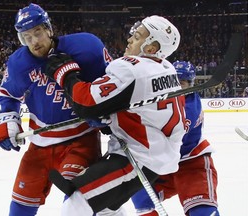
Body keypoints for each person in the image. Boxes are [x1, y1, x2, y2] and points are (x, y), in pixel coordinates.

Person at [44, 15, 186, 215]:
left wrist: (65, 73)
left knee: (76, 204)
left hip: (139, 158)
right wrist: (111, 116)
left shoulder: (132, 69)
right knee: (106, 210)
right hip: (154, 154)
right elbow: (139, 108)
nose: (129, 40)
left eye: (136, 37)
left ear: (151, 49)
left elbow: (86, 102)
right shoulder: (166, 69)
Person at [0, 3, 112, 216]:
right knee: (20, 206)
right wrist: (7, 122)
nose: (34, 42)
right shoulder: (19, 64)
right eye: (26, 37)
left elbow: (112, 83)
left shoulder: (87, 47)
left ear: (48, 28)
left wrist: (106, 111)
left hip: (80, 139)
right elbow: (8, 95)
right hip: (39, 145)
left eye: (37, 33)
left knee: (77, 202)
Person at [131, 61, 220, 216]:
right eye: (173, 81)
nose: (177, 87)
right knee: (138, 192)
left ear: (191, 84)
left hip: (191, 162)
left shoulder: (191, 106)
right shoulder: (159, 98)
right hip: (163, 164)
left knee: (202, 211)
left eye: (182, 83)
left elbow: (161, 133)